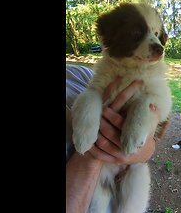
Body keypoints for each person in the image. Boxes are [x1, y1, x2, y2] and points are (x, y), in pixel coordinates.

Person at [65, 64, 161, 213]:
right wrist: (91, 156)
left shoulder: (79, 74)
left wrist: (147, 147)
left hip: (127, 189)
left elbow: (154, 123)